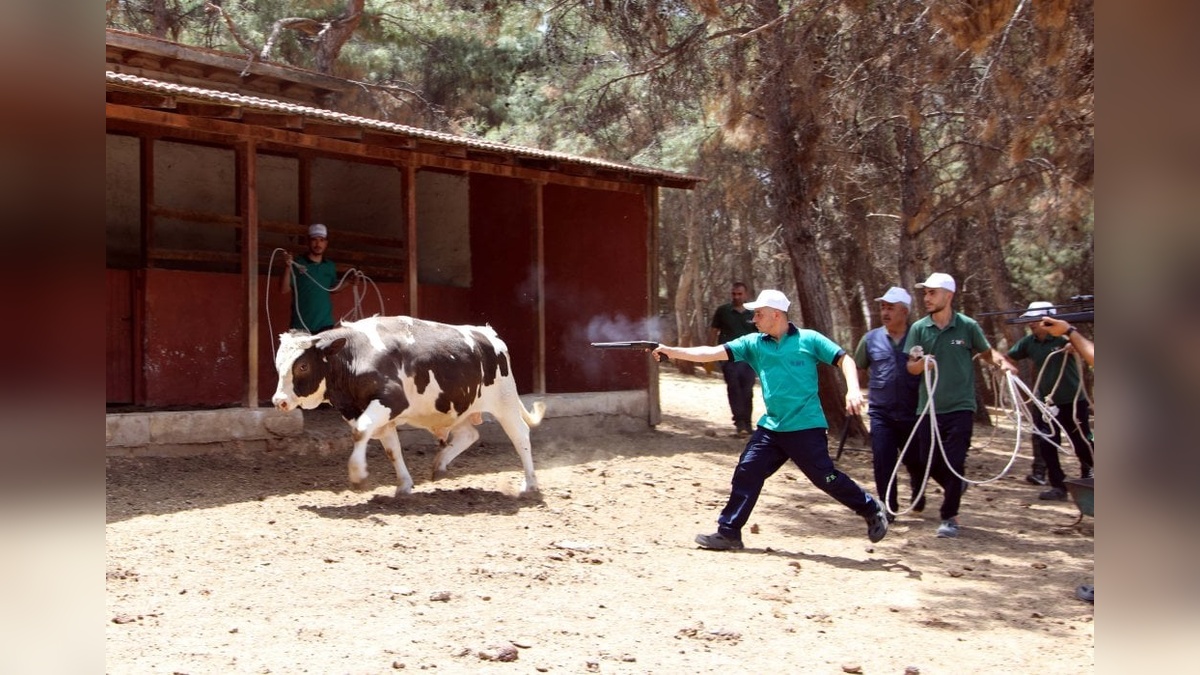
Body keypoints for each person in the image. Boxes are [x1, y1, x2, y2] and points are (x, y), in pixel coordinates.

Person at [653, 289, 889, 550]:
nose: (754, 319)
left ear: (776, 314)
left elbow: (844, 359)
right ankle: (729, 532)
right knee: (748, 470)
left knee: (825, 478)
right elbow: (710, 353)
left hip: (806, 427)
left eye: (759, 314)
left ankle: (870, 507)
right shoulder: (753, 343)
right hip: (773, 427)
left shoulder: (809, 340)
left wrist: (853, 390)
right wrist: (672, 351)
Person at [904, 273, 1017, 538]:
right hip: (928, 408)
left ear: (949, 295)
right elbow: (911, 366)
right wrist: (923, 365)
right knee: (927, 461)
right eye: (925, 293)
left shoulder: (967, 326)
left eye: (932, 292)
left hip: (961, 407)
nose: (927, 297)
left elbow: (988, 354)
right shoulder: (919, 328)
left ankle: (949, 516)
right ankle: (956, 485)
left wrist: (1004, 367)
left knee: (955, 460)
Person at [1006, 302, 1094, 501]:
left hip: (1072, 401)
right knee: (1047, 444)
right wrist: (1006, 368)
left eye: (1034, 320)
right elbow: (1008, 357)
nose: (1031, 324)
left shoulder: (1064, 338)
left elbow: (1085, 350)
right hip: (1045, 403)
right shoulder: (1029, 342)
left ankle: (1089, 478)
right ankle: (1058, 486)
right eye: (1029, 320)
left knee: (1082, 442)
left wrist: (1074, 345)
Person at [853, 286, 926, 522]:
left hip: (913, 412)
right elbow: (858, 366)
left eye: (890, 308)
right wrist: (854, 391)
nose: (885, 312)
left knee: (915, 459)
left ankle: (918, 491)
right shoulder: (870, 339)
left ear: (904, 311)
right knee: (882, 459)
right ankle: (887, 506)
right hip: (881, 412)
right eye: (883, 307)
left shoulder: (920, 338)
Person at [280, 223, 349, 333]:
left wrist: (349, 282)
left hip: (325, 325)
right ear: (308, 242)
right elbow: (284, 289)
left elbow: (332, 289)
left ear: (326, 243)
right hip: (301, 325)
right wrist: (288, 267)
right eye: (314, 240)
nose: (318, 244)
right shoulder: (297, 263)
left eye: (322, 240)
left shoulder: (329, 266)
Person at [709, 282, 758, 436]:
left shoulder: (754, 313)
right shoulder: (723, 311)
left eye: (740, 294)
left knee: (748, 391)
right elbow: (713, 332)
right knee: (734, 388)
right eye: (734, 294)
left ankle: (748, 424)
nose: (737, 297)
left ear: (746, 295)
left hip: (749, 359)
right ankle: (740, 423)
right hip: (728, 357)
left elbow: (761, 335)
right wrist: (710, 355)